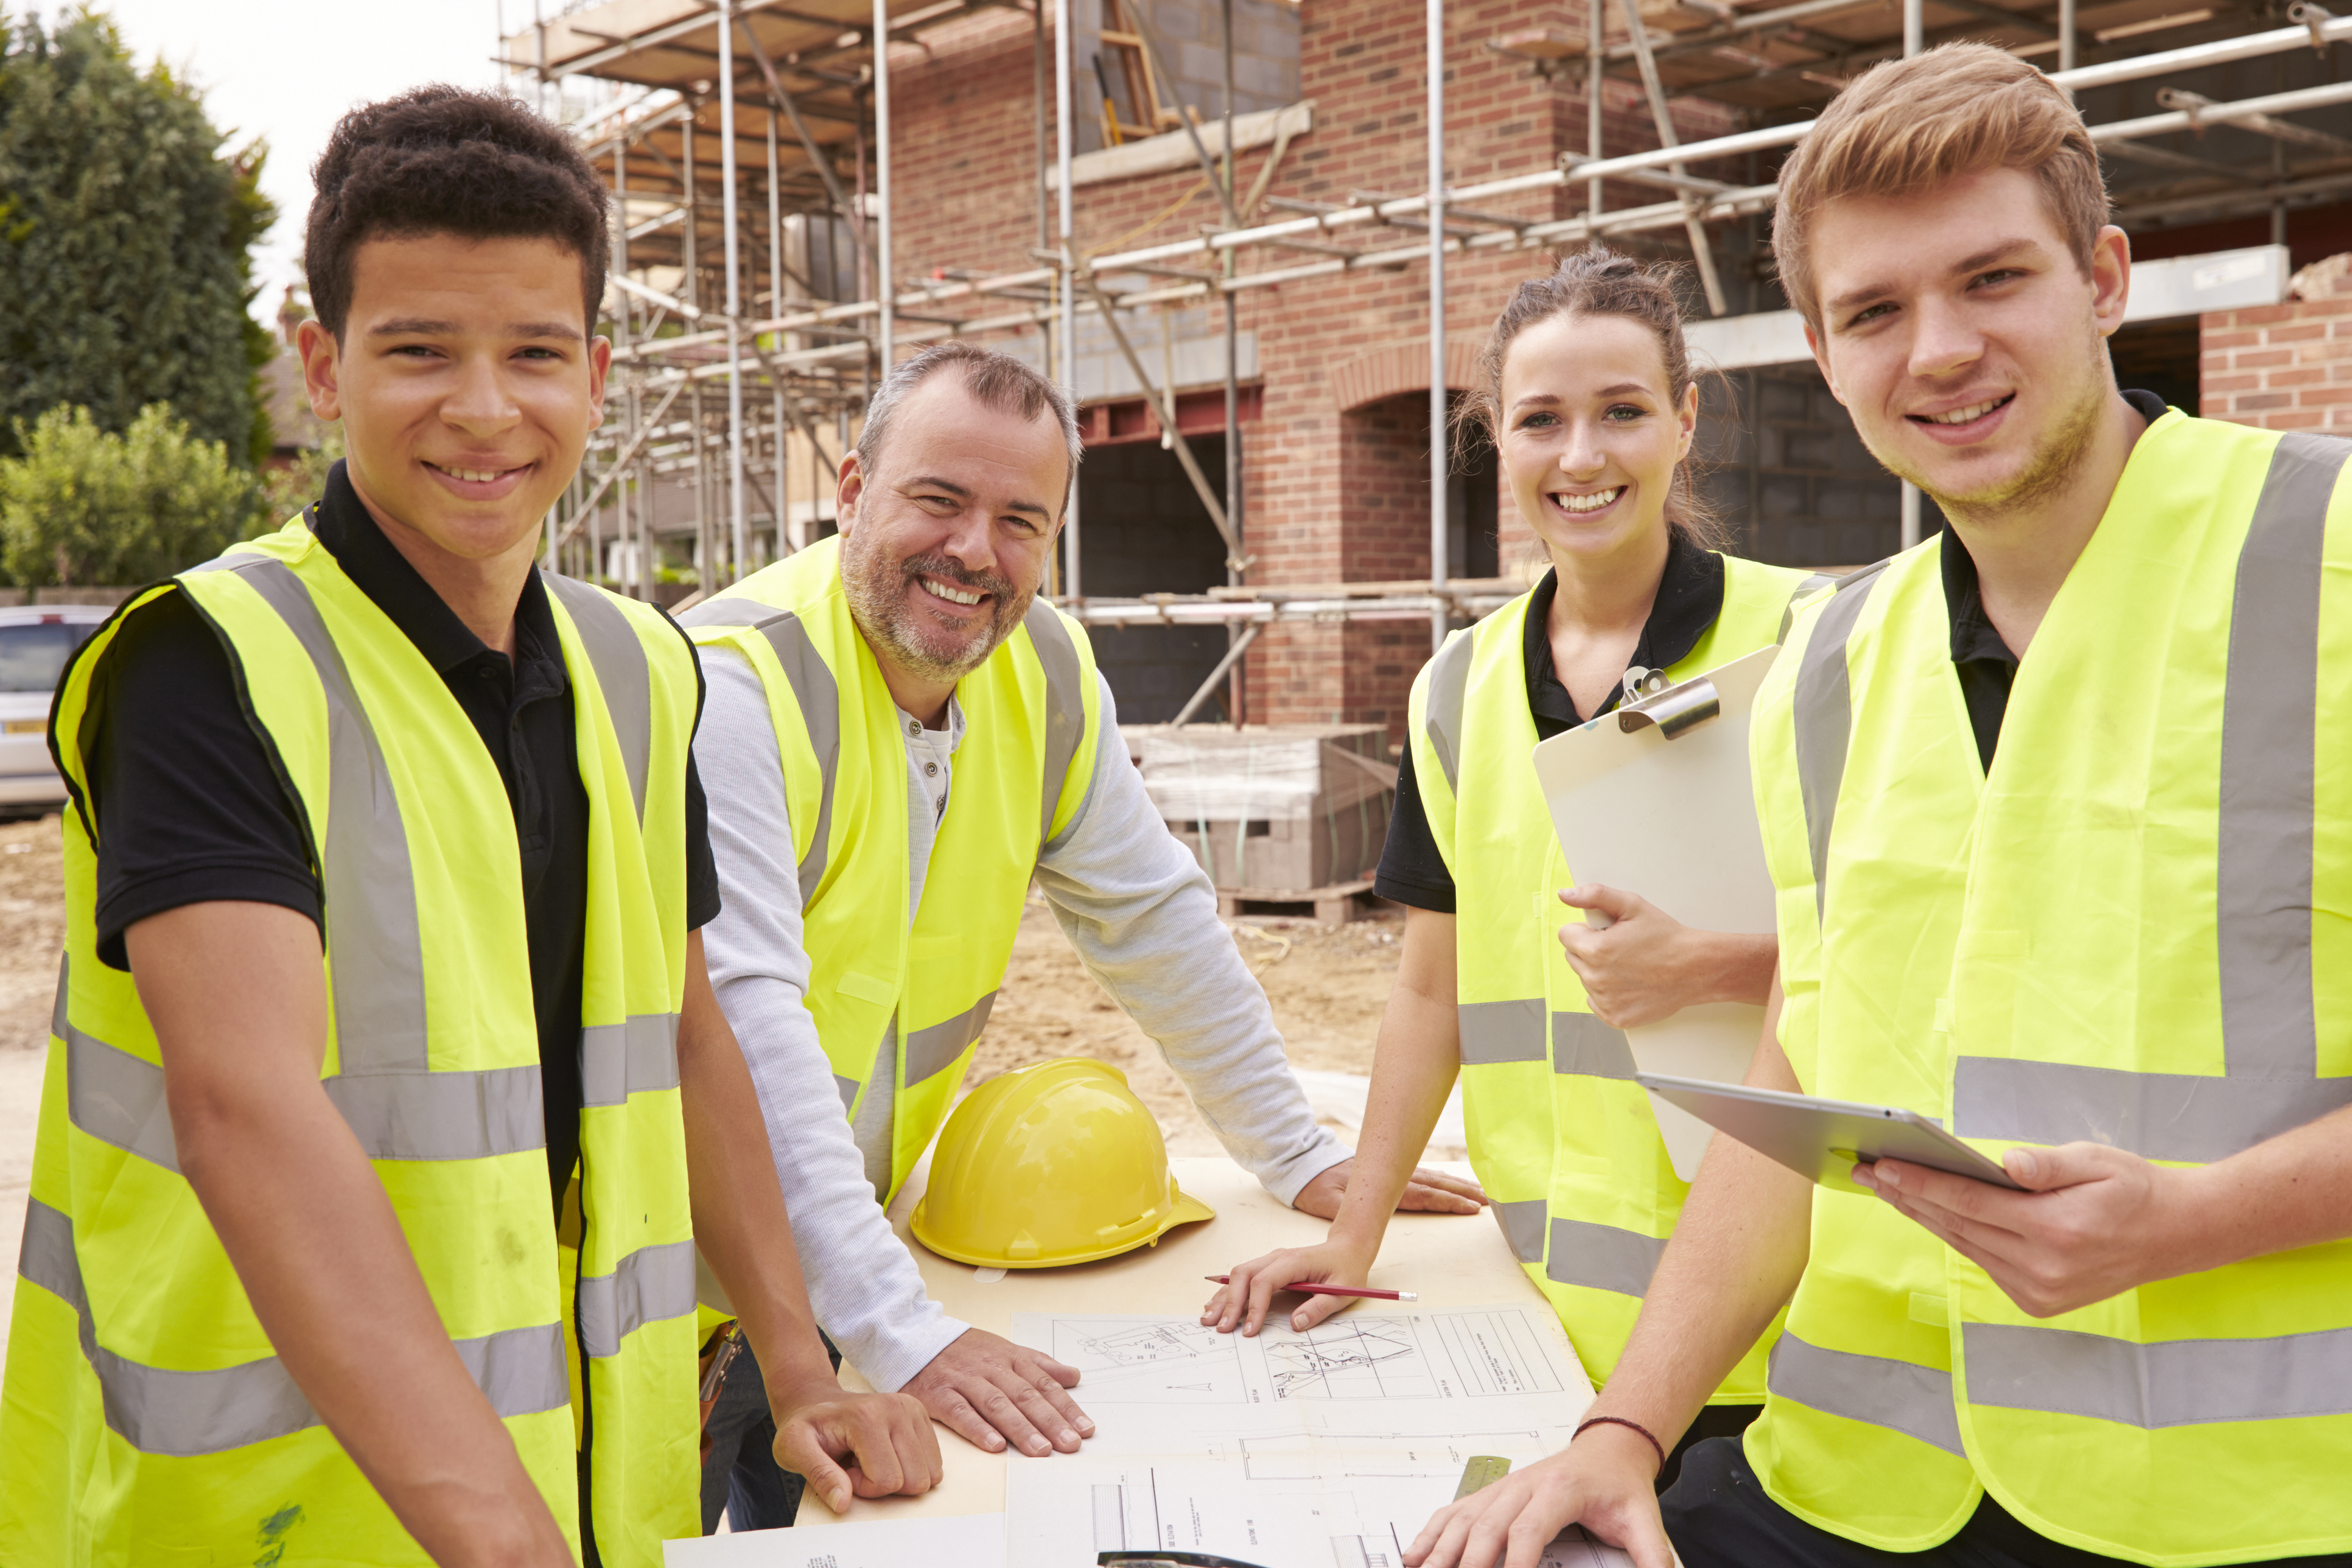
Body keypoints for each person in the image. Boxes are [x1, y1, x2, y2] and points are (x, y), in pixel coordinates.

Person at [1402, 44, 2352, 1568]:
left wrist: (2198, 1217)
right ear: (1821, 351)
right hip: (1864, 1488)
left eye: (1993, 279)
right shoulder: (1832, 665)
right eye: (1875, 312)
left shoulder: (2330, 553)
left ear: (2106, 278)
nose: (1940, 351)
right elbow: (1795, 1090)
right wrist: (1622, 1434)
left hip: (2249, 1513)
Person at [0, 88, 937, 1568]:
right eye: (419, 349)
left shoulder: (639, 668)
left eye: (537, 354)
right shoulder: (205, 666)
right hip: (273, 1521)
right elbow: (248, 1111)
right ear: (320, 366)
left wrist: (799, 1360)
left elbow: (685, 1028)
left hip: (568, 1495)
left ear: (601, 375)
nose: (487, 408)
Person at [681, 339, 1488, 1531]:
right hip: (672, 1273)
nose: (975, 552)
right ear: (852, 491)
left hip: (841, 1248)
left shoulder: (1042, 667)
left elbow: (1152, 915)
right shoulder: (735, 683)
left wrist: (1290, 1147)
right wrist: (902, 1332)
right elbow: (750, 1025)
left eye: (1021, 520)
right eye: (938, 501)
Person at [1204, 249, 1827, 1483]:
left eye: (1623, 412)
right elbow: (1431, 993)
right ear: (1499, 433)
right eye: (1541, 419)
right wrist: (1358, 1229)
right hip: (1536, 1313)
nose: (1581, 456)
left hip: (1762, 1324)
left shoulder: (1813, 643)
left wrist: (1713, 965)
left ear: (1685, 419)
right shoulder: (1455, 690)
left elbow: (1898, 955)